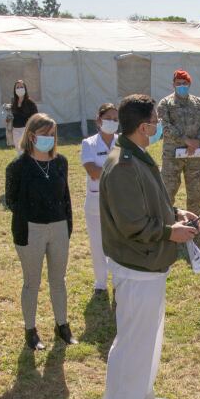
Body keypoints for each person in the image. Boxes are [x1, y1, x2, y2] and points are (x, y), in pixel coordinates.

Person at [98, 94, 199, 399]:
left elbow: (151, 202)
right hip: (137, 266)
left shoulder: (136, 156)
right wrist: (172, 233)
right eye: (156, 121)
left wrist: (176, 214)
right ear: (144, 127)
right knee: (132, 341)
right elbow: (133, 224)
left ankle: (140, 394)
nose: (159, 126)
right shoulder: (124, 164)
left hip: (149, 266)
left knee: (148, 338)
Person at [6, 113, 77, 350]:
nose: (48, 138)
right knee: (31, 283)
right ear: (31, 135)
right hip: (30, 229)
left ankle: (62, 325)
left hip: (58, 228)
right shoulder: (18, 166)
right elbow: (12, 200)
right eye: (44, 134)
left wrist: (66, 226)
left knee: (58, 280)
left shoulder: (60, 162)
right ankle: (31, 330)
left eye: (52, 134)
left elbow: (65, 197)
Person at [158, 69, 200, 216]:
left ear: (189, 84)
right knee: (168, 189)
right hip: (172, 155)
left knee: (194, 190)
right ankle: (167, 221)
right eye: (178, 83)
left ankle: (194, 221)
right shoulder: (166, 103)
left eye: (185, 83)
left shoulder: (198, 102)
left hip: (193, 154)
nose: (182, 85)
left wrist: (197, 140)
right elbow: (165, 126)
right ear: (173, 84)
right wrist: (185, 140)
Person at [81, 103, 119, 296]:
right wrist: (115, 172)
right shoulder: (89, 143)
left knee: (118, 242)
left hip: (119, 201)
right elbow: (92, 172)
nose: (112, 122)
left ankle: (118, 280)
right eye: (108, 118)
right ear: (98, 120)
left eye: (115, 119)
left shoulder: (122, 142)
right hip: (96, 201)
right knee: (97, 243)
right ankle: (100, 282)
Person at [9, 79, 38, 153]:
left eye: (21, 87)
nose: (19, 89)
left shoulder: (30, 103)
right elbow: (12, 115)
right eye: (17, 87)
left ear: (25, 89)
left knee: (27, 151)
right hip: (15, 130)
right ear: (14, 90)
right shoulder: (13, 102)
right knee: (19, 151)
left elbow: (36, 118)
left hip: (26, 130)